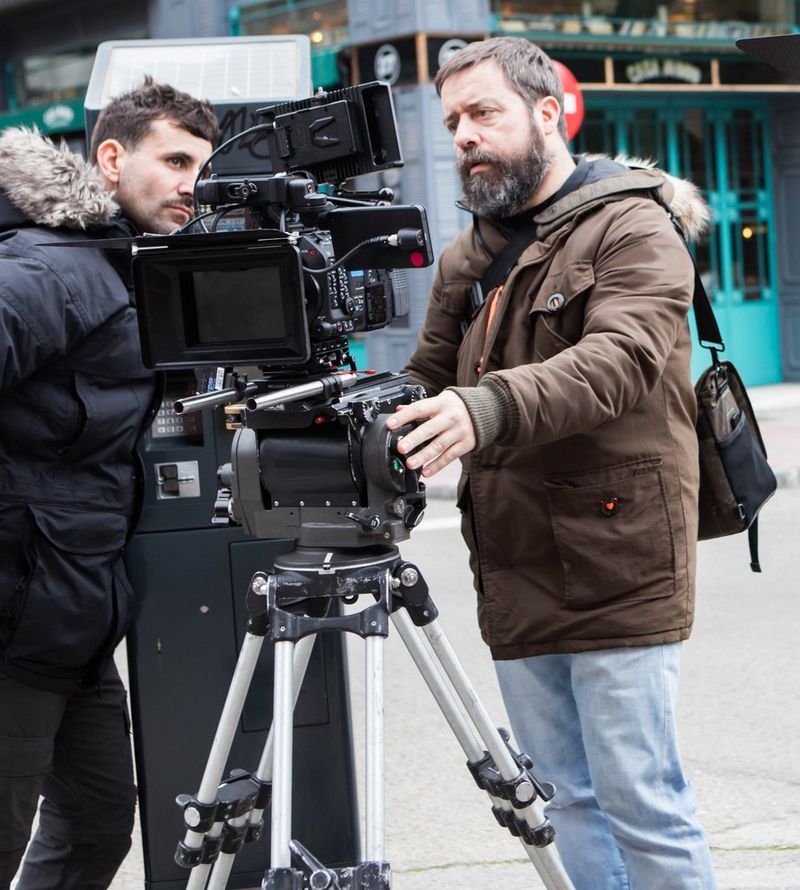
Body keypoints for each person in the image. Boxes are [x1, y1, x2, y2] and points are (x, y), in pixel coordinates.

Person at [386, 37, 717, 889]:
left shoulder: (636, 224)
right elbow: (427, 374)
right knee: (562, 797)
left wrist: (483, 407)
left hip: (621, 553)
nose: (463, 134)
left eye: (483, 112)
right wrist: (370, 415)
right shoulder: (469, 254)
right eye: (452, 119)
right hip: (515, 556)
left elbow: (620, 360)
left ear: (546, 112)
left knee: (641, 798)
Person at [0, 78, 218, 889]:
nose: (192, 183)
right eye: (174, 160)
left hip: (79, 624)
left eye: (204, 164)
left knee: (95, 830)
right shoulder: (47, 268)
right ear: (112, 159)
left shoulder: (127, 268)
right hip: (16, 620)